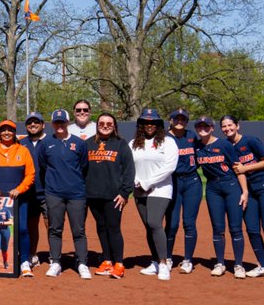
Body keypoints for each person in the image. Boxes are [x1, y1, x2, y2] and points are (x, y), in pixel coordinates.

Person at [224, 116, 264, 281]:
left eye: (230, 125)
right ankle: (263, 266)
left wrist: (246, 168)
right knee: (252, 229)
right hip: (248, 192)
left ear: (237, 125)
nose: (227, 128)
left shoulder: (250, 141)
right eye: (224, 126)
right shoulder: (226, 146)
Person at [35, 109, 90, 278]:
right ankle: (56, 262)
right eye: (56, 122)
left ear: (68, 123)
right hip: (54, 193)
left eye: (62, 122)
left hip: (76, 194)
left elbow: (83, 166)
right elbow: (43, 165)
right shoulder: (45, 144)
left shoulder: (79, 143)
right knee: (54, 229)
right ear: (52, 124)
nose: (59, 125)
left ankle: (82, 263)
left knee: (78, 230)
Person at [193, 115, 249, 277]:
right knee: (218, 228)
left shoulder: (224, 144)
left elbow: (238, 168)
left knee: (235, 228)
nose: (203, 129)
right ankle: (220, 263)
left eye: (206, 126)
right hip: (212, 188)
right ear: (196, 129)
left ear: (212, 128)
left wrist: (244, 191)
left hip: (231, 186)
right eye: (200, 127)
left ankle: (238, 265)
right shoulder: (196, 147)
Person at [83, 113, 135, 279]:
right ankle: (107, 260)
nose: (105, 126)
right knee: (101, 227)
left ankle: (119, 263)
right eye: (102, 123)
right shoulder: (88, 143)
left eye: (109, 123)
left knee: (113, 228)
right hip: (93, 194)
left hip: (113, 196)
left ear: (114, 126)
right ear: (97, 125)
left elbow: (129, 170)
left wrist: (125, 193)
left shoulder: (121, 144)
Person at [0, 120, 36, 273]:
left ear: (14, 132)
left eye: (10, 130)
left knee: (23, 229)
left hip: (19, 199)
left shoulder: (23, 151)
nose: (6, 133)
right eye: (3, 130)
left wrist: (20, 189)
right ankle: (0, 264)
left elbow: (30, 174)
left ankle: (24, 261)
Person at [130, 108, 179, 280]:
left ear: (159, 124)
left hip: (160, 189)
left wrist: (147, 183)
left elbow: (170, 167)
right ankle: (155, 262)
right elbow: (129, 166)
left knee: (154, 223)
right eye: (145, 122)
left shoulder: (168, 142)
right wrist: (137, 181)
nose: (149, 125)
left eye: (153, 122)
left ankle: (164, 263)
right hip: (139, 189)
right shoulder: (133, 143)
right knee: (148, 227)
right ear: (140, 125)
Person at [166, 109, 202, 273]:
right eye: (177, 118)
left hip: (192, 181)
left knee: (189, 223)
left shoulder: (192, 136)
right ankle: (167, 257)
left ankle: (187, 260)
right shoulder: (164, 138)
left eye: (183, 119)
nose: (180, 121)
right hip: (172, 182)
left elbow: (201, 157)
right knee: (172, 224)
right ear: (171, 120)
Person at [19, 113, 48, 272]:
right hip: (29, 192)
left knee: (52, 225)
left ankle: (54, 256)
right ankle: (32, 254)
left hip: (48, 191)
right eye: (29, 122)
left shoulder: (51, 141)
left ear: (43, 124)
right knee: (31, 225)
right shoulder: (21, 143)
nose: (33, 124)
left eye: (36, 122)